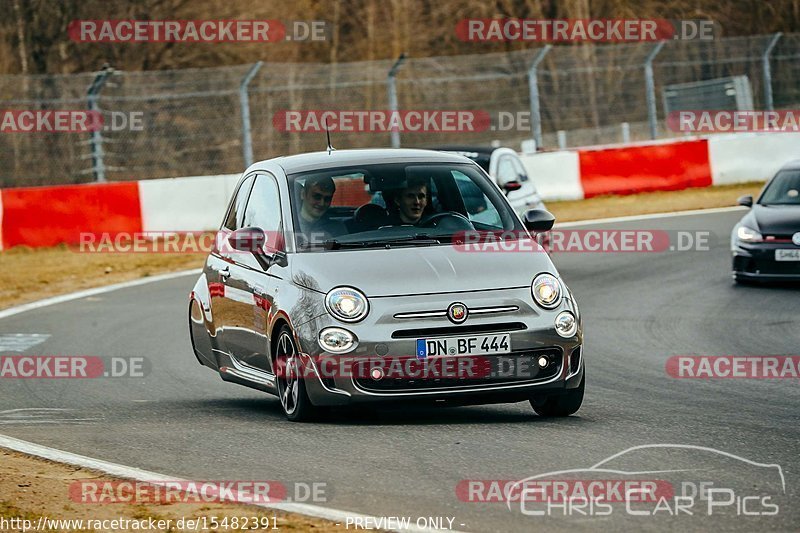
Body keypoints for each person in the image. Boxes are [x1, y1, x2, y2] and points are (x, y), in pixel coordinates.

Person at [296, 176, 346, 242]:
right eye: (317, 197)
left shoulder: (337, 228)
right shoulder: (289, 225)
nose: (322, 203)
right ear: (302, 194)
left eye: (327, 199)